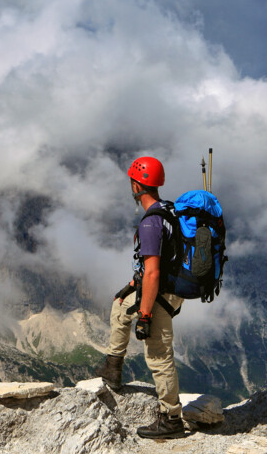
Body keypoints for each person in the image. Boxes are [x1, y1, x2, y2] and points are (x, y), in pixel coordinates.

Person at [93, 156, 185, 439]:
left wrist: (145, 315)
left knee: (157, 353)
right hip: (165, 286)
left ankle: (171, 419)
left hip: (160, 291)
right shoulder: (168, 210)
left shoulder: (150, 224)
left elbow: (154, 273)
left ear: (136, 185)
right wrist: (135, 283)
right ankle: (113, 369)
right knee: (120, 307)